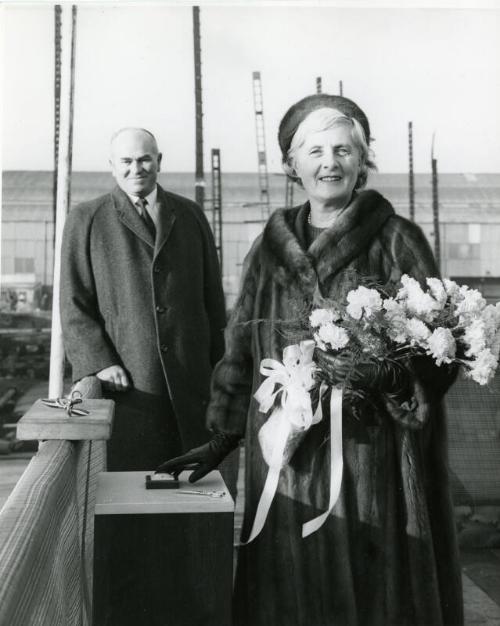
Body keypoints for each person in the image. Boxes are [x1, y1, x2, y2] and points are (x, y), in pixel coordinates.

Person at [160, 95, 464, 626]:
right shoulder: (268, 250)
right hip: (285, 452)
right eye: (316, 150)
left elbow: (442, 350)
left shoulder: (396, 240)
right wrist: (223, 435)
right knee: (288, 594)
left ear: (362, 161)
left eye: (344, 150)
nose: (331, 163)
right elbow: (240, 348)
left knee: (376, 593)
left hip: (375, 459)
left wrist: (388, 373)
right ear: (291, 165)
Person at [60, 127, 230, 625]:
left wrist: (219, 369)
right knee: (126, 508)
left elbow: (211, 298)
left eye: (146, 160)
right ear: (112, 166)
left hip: (190, 388)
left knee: (189, 502)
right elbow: (72, 304)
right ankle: (128, 609)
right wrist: (96, 359)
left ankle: (187, 606)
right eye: (127, 162)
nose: (138, 170)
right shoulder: (86, 219)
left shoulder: (189, 215)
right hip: (128, 391)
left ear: (160, 161)